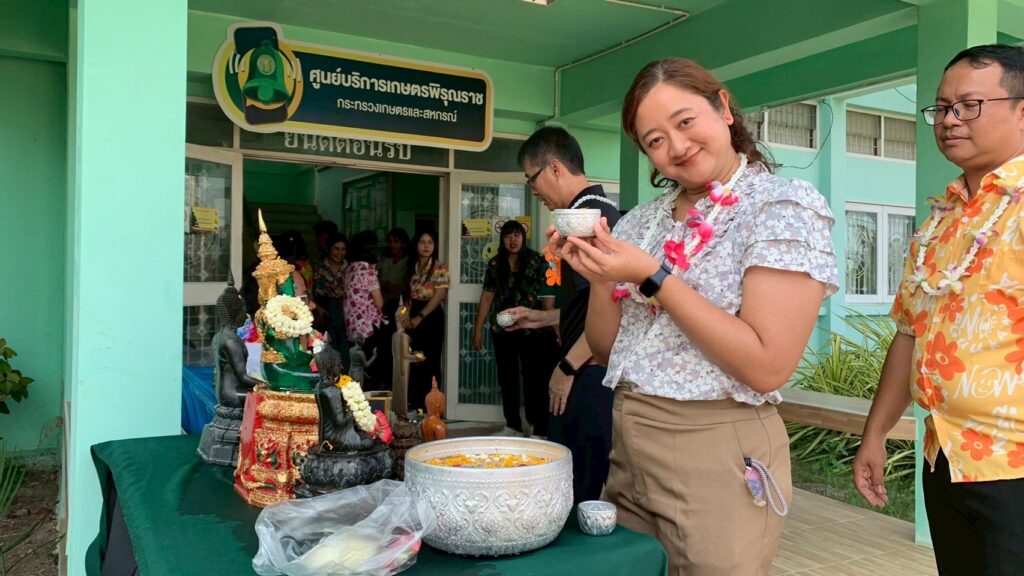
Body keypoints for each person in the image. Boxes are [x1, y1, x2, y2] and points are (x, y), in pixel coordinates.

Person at [558, 58, 838, 575]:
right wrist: (598, 276)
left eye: (685, 121)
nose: (677, 146)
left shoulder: (780, 206)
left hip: (715, 449)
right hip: (629, 442)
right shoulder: (642, 222)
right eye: (655, 140)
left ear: (723, 108)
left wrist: (653, 276)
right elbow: (605, 349)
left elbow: (767, 366)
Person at [853, 44, 1024, 576]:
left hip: (1015, 466)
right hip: (944, 456)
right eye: (942, 107)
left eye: (969, 105)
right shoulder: (940, 221)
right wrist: (876, 433)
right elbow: (909, 334)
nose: (949, 120)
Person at [504, 126, 622, 503]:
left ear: (554, 168)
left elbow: (613, 310)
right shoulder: (596, 211)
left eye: (532, 178)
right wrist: (539, 318)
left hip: (588, 373)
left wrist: (567, 368)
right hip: (586, 369)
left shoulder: (586, 221)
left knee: (575, 488)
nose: (533, 190)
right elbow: (588, 306)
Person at [472, 220, 559, 437]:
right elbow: (487, 297)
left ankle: (538, 427)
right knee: (507, 378)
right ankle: (513, 426)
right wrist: (478, 328)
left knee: (534, 379)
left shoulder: (537, 260)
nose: (513, 240)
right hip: (503, 330)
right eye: (508, 235)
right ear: (502, 239)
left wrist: (554, 324)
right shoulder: (495, 264)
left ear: (523, 237)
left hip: (533, 330)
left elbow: (547, 296)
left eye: (517, 235)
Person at [406, 230, 448, 411]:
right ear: (416, 245)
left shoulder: (440, 267)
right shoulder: (412, 266)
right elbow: (408, 295)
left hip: (431, 315)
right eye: (422, 242)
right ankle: (416, 404)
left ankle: (433, 407)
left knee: (431, 360)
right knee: (415, 359)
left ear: (435, 246)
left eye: (430, 242)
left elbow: (439, 295)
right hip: (414, 312)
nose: (426, 246)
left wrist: (420, 316)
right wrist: (407, 316)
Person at [343, 230, 385, 384]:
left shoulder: (349, 269)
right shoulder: (368, 271)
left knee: (355, 368)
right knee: (369, 371)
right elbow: (379, 302)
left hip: (351, 327)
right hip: (367, 328)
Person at [312, 232, 349, 363]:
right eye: (336, 249)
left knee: (343, 343)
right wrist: (318, 308)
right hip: (324, 310)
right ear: (328, 249)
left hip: (344, 310)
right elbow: (311, 290)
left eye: (343, 249)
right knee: (326, 344)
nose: (340, 253)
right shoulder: (318, 267)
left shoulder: (349, 268)